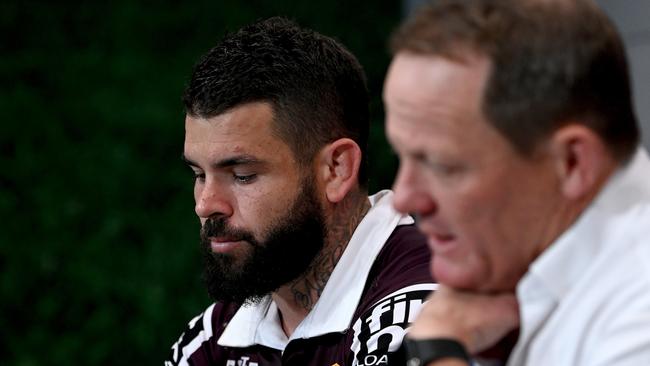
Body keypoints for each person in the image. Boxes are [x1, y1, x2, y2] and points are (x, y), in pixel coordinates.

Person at [383, 0, 650, 365]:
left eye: (442, 165)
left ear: (571, 163)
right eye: (403, 155)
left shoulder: (638, 315)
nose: (405, 198)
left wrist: (437, 350)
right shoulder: (518, 256)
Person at [165, 17, 436, 366]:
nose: (206, 205)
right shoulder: (216, 335)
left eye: (243, 175)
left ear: (336, 170)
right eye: (199, 174)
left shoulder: (420, 313)